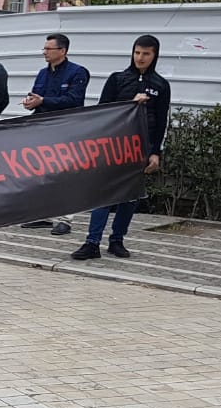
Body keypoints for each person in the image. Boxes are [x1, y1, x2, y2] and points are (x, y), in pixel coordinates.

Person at [71, 35, 170, 261]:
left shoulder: (161, 85)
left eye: (146, 54)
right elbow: (102, 112)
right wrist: (130, 104)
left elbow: (161, 121)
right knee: (103, 195)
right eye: (137, 53)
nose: (140, 58)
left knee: (129, 197)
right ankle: (92, 242)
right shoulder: (118, 79)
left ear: (154, 55)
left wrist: (156, 152)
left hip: (141, 147)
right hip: (114, 145)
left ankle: (117, 240)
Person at [20, 33, 91, 235]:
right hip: (42, 129)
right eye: (44, 48)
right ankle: (43, 215)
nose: (45, 52)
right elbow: (36, 96)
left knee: (65, 174)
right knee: (41, 172)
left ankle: (65, 219)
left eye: (49, 49)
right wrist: (30, 103)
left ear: (62, 51)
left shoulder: (77, 73)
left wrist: (44, 101)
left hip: (66, 129)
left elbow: (74, 100)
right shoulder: (43, 73)